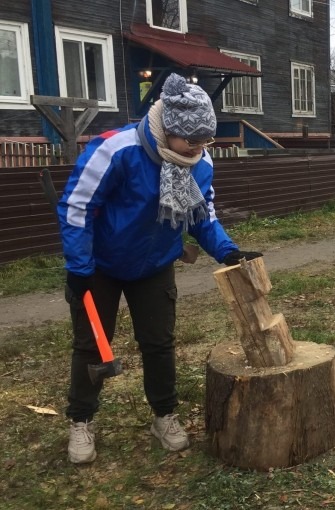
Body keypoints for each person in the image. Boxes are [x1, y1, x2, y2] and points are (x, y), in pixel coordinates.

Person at [58, 73, 262, 463]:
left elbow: (203, 216)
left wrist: (229, 252)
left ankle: (164, 415)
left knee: (159, 343)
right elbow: (77, 206)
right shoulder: (118, 150)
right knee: (90, 346)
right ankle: (81, 420)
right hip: (99, 265)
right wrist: (79, 266)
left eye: (206, 140)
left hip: (154, 265)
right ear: (168, 130)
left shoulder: (200, 162)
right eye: (192, 139)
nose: (200, 147)